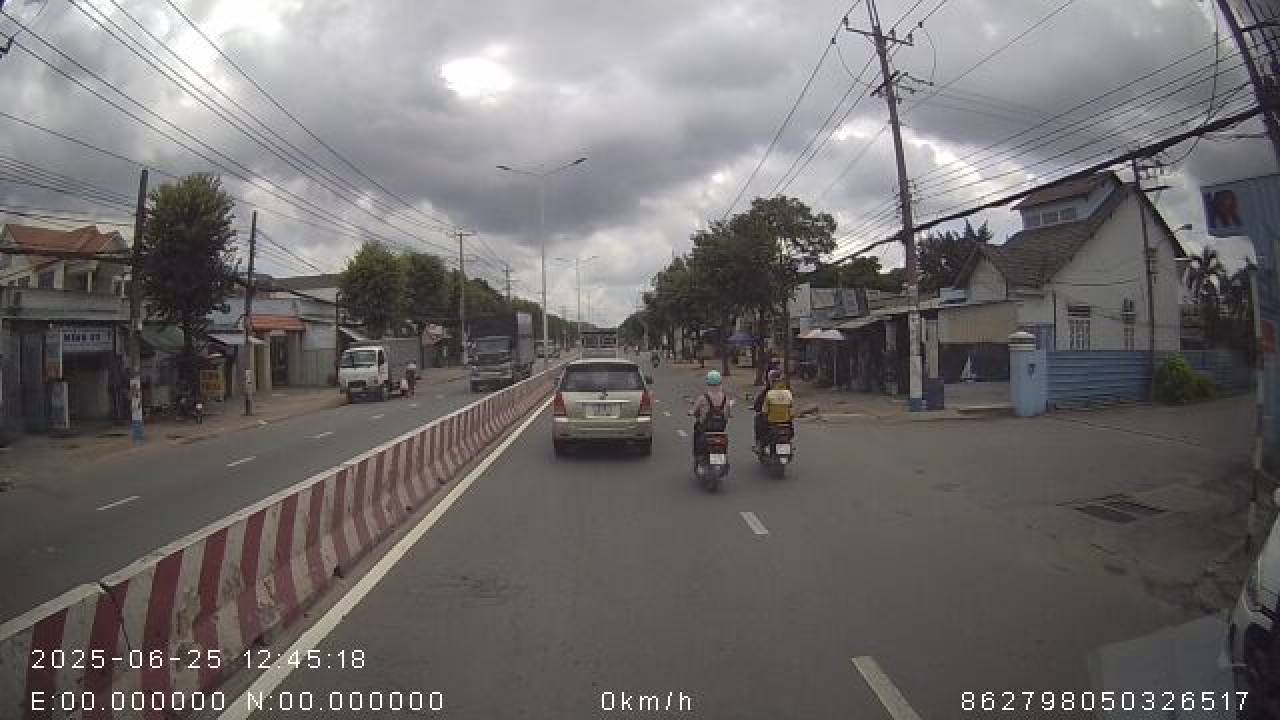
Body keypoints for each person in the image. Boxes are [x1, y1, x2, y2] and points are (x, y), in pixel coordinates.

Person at [691, 370, 731, 457]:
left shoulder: (703, 398)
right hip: (720, 428)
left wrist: (692, 413)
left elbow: (695, 411)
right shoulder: (725, 398)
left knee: (696, 432)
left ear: (708, 383)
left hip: (705, 428)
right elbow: (727, 414)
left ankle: (697, 455)